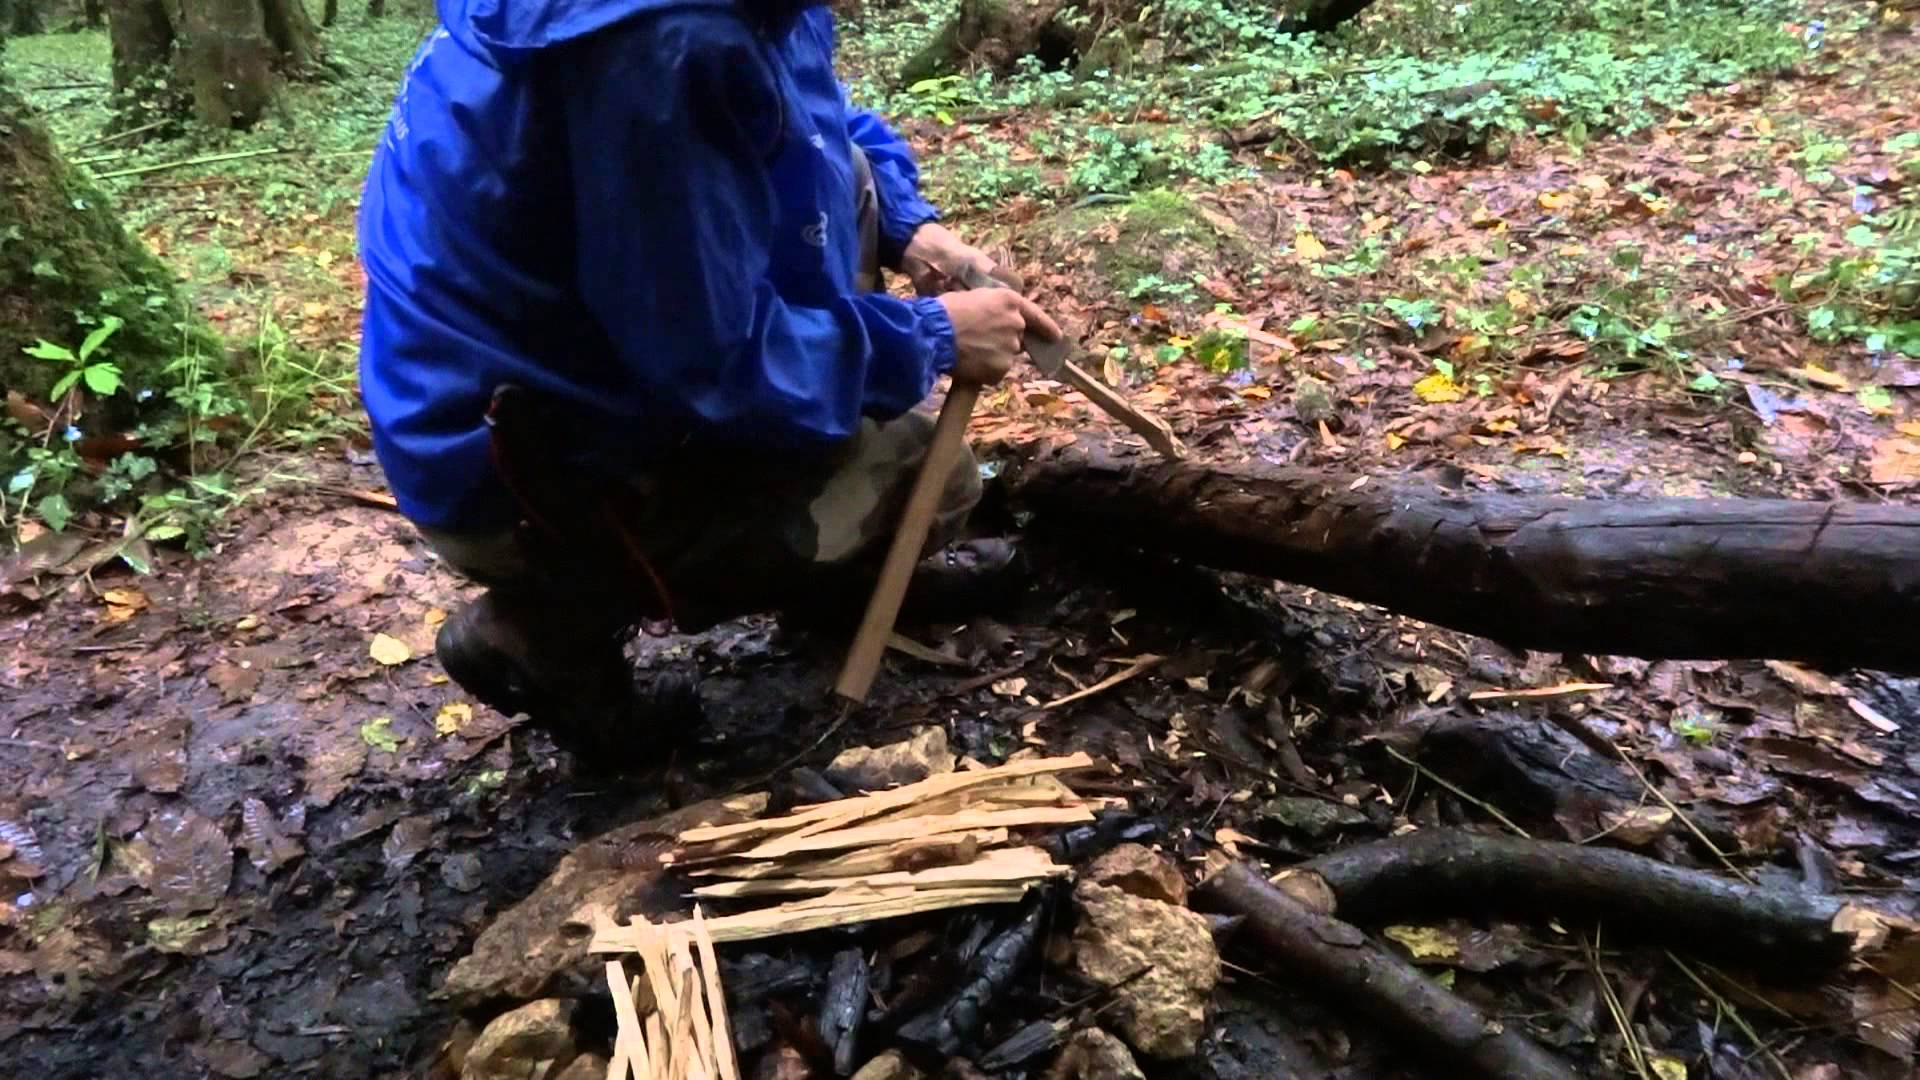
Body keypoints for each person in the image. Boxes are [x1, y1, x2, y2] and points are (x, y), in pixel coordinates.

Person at [356, 0, 1060, 755]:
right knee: (933, 475)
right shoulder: (665, 48)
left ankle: (819, 552)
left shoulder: (731, 18)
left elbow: (808, 122)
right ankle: (549, 630)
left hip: (534, 372)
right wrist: (931, 338)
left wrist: (908, 226)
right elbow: (713, 365)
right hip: (517, 466)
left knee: (850, 179)